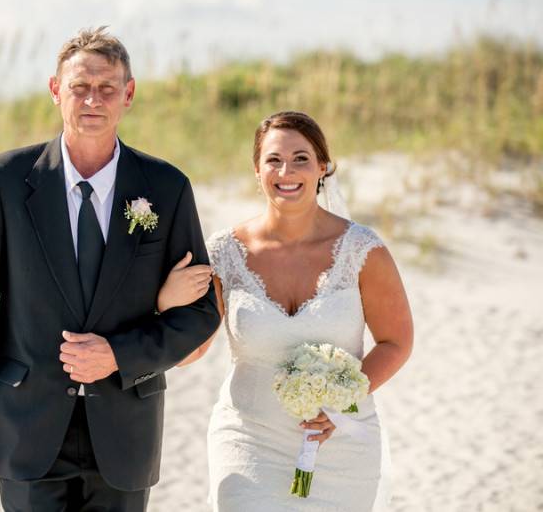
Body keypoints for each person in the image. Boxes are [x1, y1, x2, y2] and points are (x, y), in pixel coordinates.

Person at [0, 26, 221, 512]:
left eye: (107, 88)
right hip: (24, 425)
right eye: (79, 87)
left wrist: (119, 354)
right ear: (56, 91)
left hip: (125, 431)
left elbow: (200, 313)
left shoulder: (167, 186)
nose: (93, 99)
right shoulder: (5, 180)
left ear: (128, 94)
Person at [156, 111, 413, 510]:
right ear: (257, 170)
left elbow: (396, 342)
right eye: (273, 159)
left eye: (301, 159)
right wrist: (166, 305)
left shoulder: (363, 250)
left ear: (322, 167)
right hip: (248, 438)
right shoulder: (225, 252)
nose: (286, 171)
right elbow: (191, 352)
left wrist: (343, 402)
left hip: (341, 442)